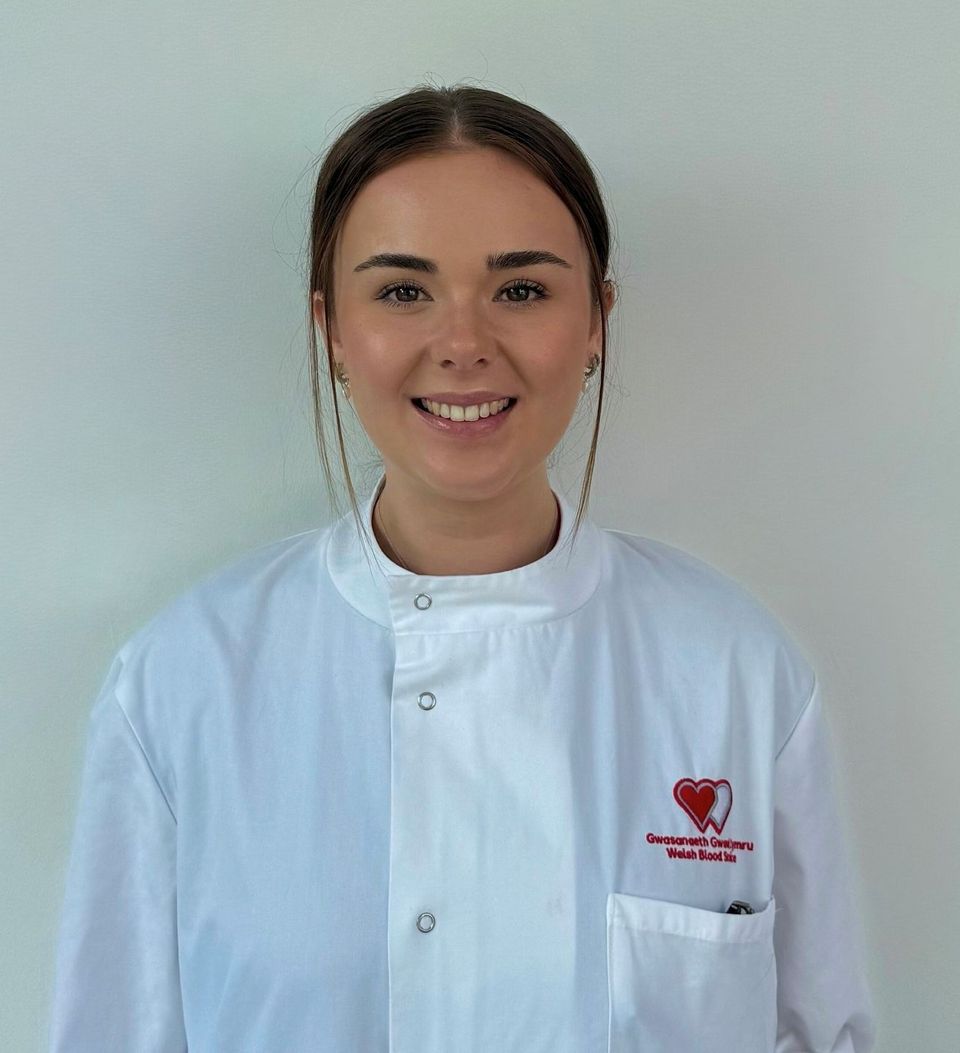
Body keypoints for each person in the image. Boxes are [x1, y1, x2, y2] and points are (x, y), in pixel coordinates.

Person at [47, 84, 876, 1052]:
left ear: (598, 320)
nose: (464, 347)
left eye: (521, 290)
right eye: (404, 291)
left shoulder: (734, 672)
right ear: (332, 329)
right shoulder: (182, 685)